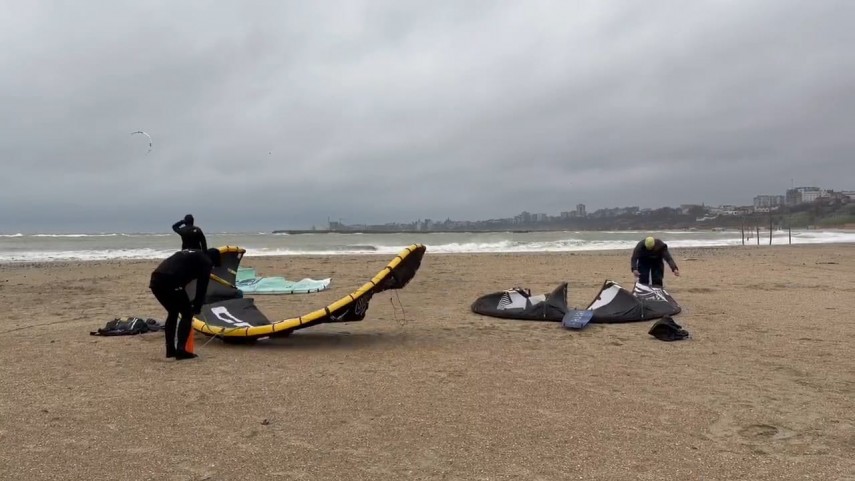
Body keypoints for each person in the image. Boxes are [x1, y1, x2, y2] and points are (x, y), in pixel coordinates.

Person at [149, 248, 222, 360]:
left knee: (173, 312)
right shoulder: (206, 261)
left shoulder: (194, 253)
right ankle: (181, 350)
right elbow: (202, 287)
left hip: (156, 280)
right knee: (187, 314)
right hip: (171, 281)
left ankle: (170, 350)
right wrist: (197, 306)